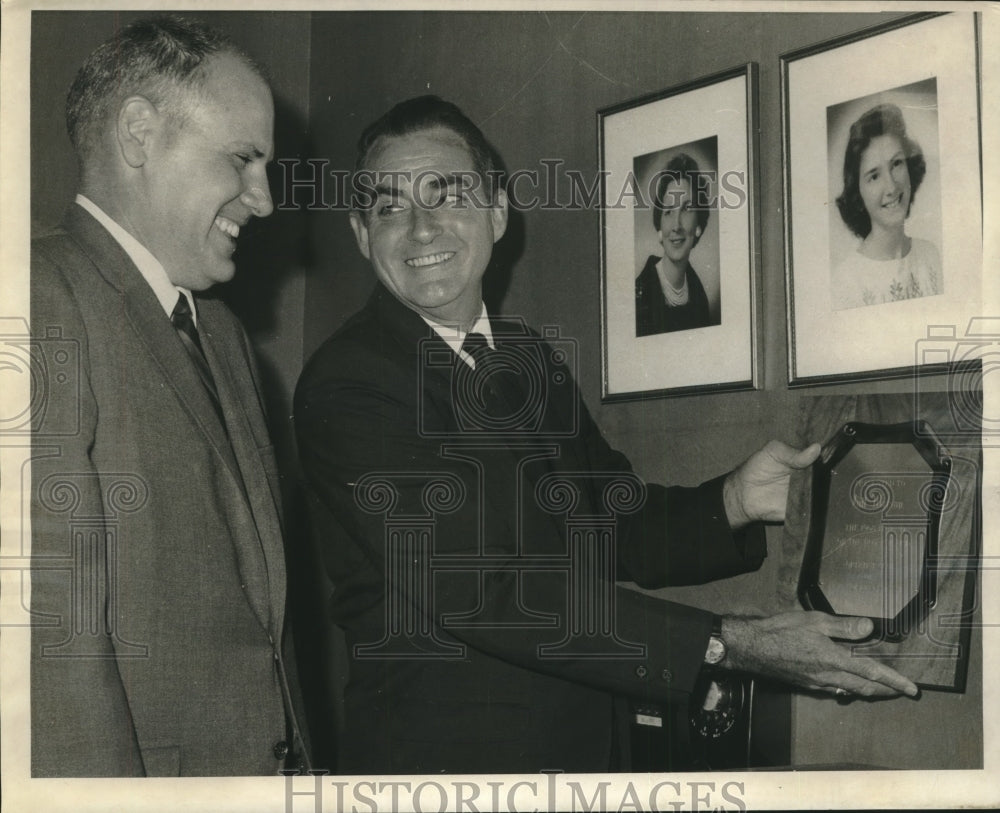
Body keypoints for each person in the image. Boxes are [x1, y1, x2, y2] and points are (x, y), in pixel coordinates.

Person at [294, 95, 918, 774]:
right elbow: (484, 588)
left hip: (588, 759)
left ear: (497, 213)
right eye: (389, 207)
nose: (420, 228)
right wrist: (732, 642)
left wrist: (738, 499)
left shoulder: (527, 356)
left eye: (447, 194)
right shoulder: (349, 384)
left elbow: (612, 520)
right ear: (361, 234)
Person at [30, 17, 307, 776]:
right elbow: (52, 640)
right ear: (140, 134)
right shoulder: (36, 295)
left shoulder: (219, 332)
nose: (265, 198)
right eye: (244, 159)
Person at [832, 102, 942, 310]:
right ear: (857, 192)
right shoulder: (846, 282)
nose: (891, 186)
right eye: (874, 176)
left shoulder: (930, 255)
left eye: (897, 164)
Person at [635, 152, 717, 336]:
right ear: (660, 228)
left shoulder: (699, 298)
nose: (676, 226)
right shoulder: (637, 297)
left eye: (687, 209)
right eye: (668, 211)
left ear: (698, 225)